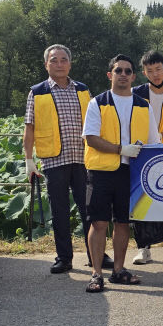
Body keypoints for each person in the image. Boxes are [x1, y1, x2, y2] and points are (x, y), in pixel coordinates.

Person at [23, 44, 113, 273]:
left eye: (64, 60)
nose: (59, 64)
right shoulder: (38, 91)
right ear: (46, 65)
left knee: (90, 210)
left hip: (85, 159)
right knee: (59, 211)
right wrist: (28, 160)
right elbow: (29, 128)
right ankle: (64, 257)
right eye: (54, 60)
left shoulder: (82, 89)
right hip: (54, 160)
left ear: (70, 64)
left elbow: (96, 122)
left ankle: (96, 256)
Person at [83, 54, 161, 292]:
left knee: (123, 223)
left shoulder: (142, 105)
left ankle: (118, 270)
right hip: (101, 171)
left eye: (128, 71)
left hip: (130, 173)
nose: (124, 75)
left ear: (133, 76)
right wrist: (120, 149)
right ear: (110, 75)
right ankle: (96, 273)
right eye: (119, 71)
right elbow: (91, 138)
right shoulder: (98, 102)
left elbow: (153, 141)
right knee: (98, 223)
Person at [130, 51, 163, 265]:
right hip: (141, 156)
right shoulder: (134, 94)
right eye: (150, 70)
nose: (155, 74)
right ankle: (143, 248)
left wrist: (162, 137)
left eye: (158, 69)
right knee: (140, 201)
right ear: (144, 72)